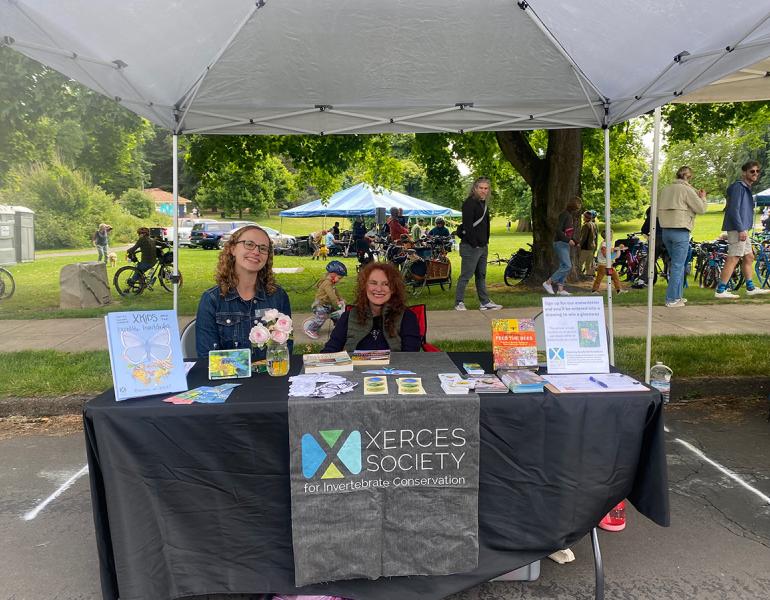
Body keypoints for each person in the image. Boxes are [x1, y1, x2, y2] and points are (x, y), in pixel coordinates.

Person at [196, 225, 291, 359]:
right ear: (233, 249)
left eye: (263, 248)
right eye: (249, 244)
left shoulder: (278, 296)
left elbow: (284, 350)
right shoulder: (212, 299)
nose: (256, 252)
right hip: (227, 379)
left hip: (270, 377)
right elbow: (207, 358)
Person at [322, 262, 421, 353]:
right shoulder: (348, 317)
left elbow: (411, 358)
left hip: (394, 371)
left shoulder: (407, 317)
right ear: (365, 287)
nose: (378, 289)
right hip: (355, 371)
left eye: (386, 284)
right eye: (373, 283)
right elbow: (330, 351)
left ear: (393, 288)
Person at [715, 161, 770, 299]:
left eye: (757, 171)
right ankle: (720, 290)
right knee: (734, 257)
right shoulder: (739, 187)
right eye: (752, 171)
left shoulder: (745, 188)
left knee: (749, 256)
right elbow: (733, 210)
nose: (755, 174)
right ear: (744, 173)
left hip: (742, 227)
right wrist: (741, 229)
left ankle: (750, 287)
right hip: (737, 228)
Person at [657, 166, 708, 307]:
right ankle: (671, 299)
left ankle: (678, 296)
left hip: (666, 230)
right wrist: (703, 198)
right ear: (688, 176)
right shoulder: (687, 190)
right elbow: (701, 209)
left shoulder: (665, 189)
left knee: (676, 264)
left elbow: (656, 211)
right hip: (681, 230)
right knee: (678, 265)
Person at [454, 177, 502, 311]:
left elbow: (485, 225)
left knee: (481, 275)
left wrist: (485, 242)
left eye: (486, 188)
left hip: (482, 246)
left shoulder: (483, 204)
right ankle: (459, 302)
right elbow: (468, 226)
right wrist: (475, 244)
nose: (483, 191)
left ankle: (485, 302)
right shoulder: (469, 203)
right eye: (481, 188)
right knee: (466, 275)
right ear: (475, 188)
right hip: (470, 246)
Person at [543, 196, 581, 296]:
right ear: (574, 205)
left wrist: (575, 242)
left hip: (564, 244)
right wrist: (568, 240)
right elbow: (558, 231)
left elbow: (567, 233)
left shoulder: (569, 215)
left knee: (563, 266)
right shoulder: (565, 215)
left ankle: (560, 289)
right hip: (560, 243)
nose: (580, 206)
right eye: (579, 204)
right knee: (568, 266)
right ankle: (548, 283)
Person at [302, 260, 347, 339]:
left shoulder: (332, 283)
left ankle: (338, 327)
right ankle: (310, 329)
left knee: (337, 315)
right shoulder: (327, 283)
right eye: (339, 278)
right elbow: (331, 294)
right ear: (333, 274)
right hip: (320, 305)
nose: (340, 280)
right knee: (321, 318)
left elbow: (336, 292)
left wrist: (341, 298)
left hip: (327, 305)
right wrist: (337, 302)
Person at [578, 211, 597, 278]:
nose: (583, 217)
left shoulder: (586, 225)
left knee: (580, 262)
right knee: (588, 263)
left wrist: (579, 244)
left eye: (583, 216)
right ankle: (590, 275)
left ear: (586, 217)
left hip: (586, 247)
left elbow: (583, 237)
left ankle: (579, 274)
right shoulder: (593, 224)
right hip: (592, 246)